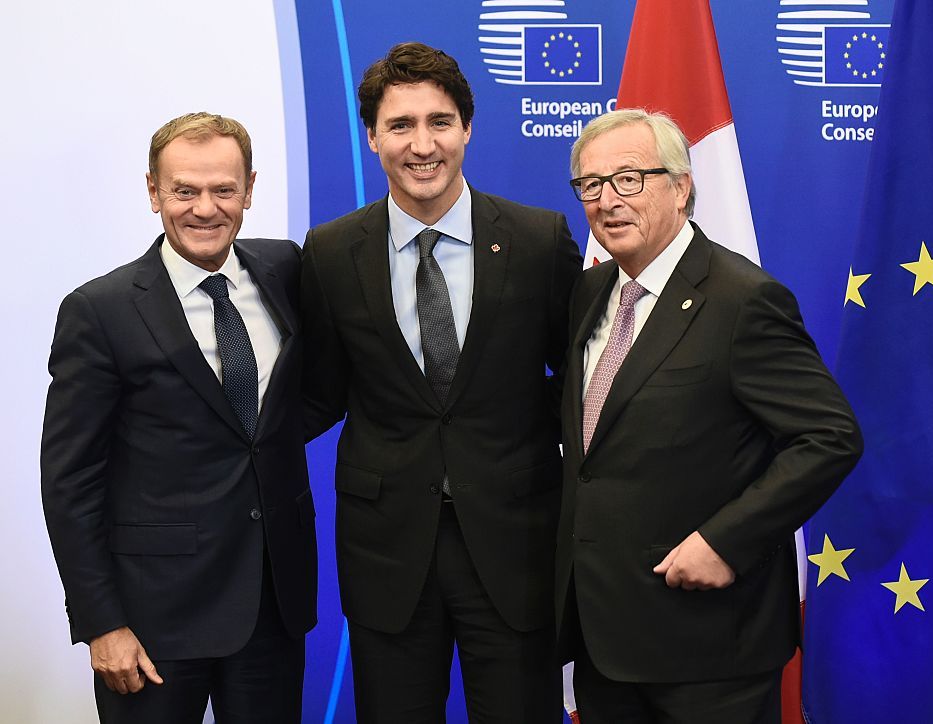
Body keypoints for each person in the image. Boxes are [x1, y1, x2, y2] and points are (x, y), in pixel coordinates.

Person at [302, 42, 581, 722]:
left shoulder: (538, 239)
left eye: (440, 122)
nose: (422, 145)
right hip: (387, 551)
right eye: (400, 125)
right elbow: (319, 391)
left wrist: (516, 440)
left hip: (516, 544)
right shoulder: (331, 252)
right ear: (372, 137)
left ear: (467, 129)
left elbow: (577, 377)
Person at [554, 108, 863, 723]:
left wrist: (726, 541)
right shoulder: (591, 294)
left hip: (709, 648)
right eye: (591, 185)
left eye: (629, 179)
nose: (607, 201)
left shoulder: (743, 299)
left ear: (681, 186)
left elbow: (829, 436)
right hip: (604, 640)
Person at [41, 112, 316, 724]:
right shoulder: (99, 310)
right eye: (184, 190)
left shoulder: (287, 270)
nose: (204, 209)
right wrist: (102, 624)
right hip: (151, 622)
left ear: (249, 188)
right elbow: (69, 481)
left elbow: (294, 406)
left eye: (223, 189)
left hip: (272, 608)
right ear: (153, 192)